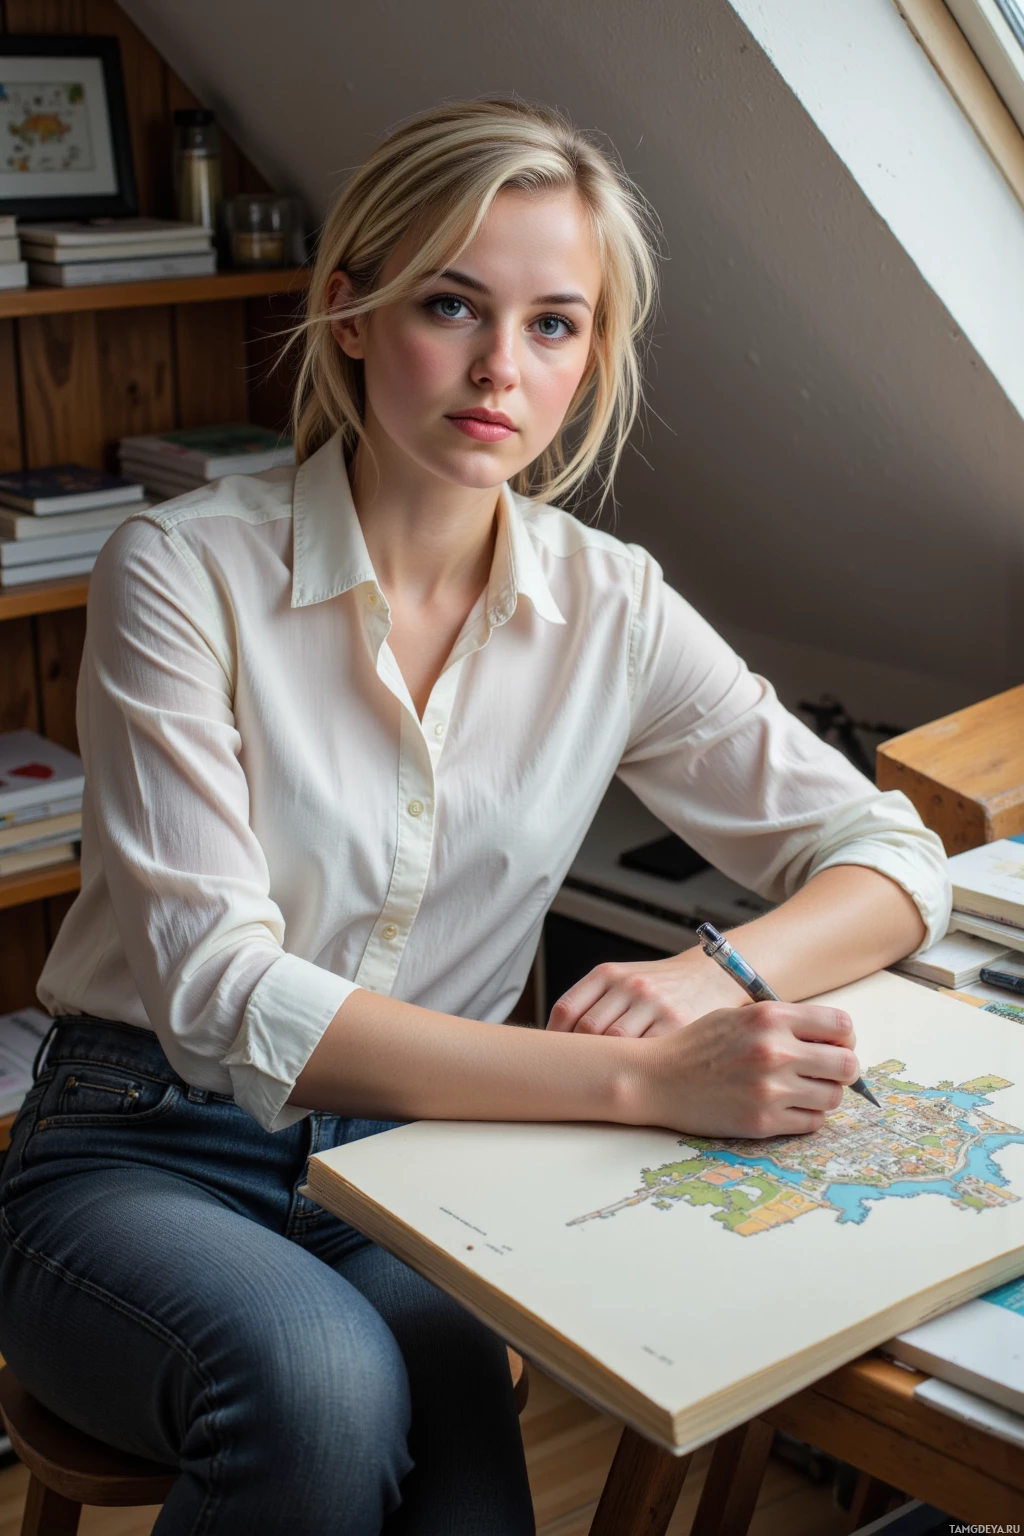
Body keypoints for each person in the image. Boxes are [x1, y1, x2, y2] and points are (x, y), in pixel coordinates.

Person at [0, 96, 949, 1535]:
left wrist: (714, 975)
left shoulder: (609, 606)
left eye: (556, 324)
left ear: (596, 355)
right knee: (319, 1386)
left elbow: (890, 856)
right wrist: (644, 1083)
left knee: (454, 1452)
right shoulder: (181, 573)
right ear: (353, 315)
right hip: (144, 1141)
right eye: (454, 304)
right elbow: (221, 995)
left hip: (420, 1162)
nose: (504, 368)